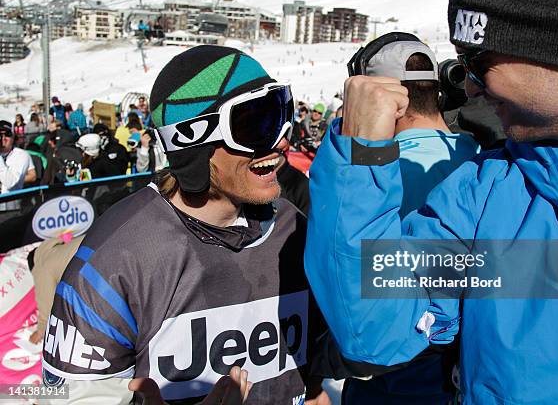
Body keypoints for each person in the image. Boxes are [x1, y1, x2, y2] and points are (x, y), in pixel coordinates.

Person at [305, 0, 558, 403]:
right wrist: (361, 156)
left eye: (477, 63)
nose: (468, 87)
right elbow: (377, 333)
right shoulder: (483, 193)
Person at [42, 45, 329, 405]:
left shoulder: (290, 228)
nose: (282, 139)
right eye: (257, 122)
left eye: (281, 112)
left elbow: (341, 353)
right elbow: (62, 396)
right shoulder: (120, 256)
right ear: (192, 140)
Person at [334, 33, 479, 405]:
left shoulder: (369, 171)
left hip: (396, 363)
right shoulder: (485, 161)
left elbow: (344, 272)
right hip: (471, 357)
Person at [0, 120, 36, 211]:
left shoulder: (21, 155)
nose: (3, 138)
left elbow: (10, 183)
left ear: (13, 137)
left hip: (10, 211)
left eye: (7, 134)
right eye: (0, 135)